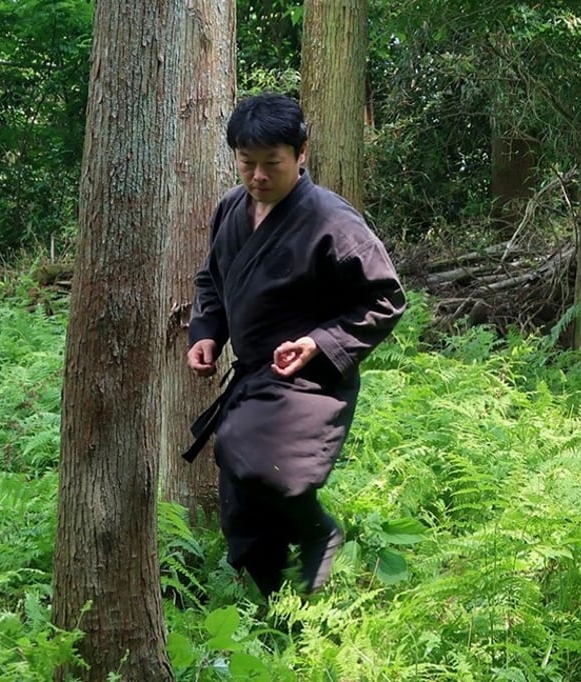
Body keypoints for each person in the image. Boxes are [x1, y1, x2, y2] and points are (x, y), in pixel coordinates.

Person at [183, 93, 405, 597]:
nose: (258, 176)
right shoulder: (231, 208)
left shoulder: (331, 219)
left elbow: (386, 298)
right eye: (247, 163)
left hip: (309, 377)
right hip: (255, 372)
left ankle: (317, 530)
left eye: (272, 163)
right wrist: (207, 333)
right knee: (242, 509)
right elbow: (212, 280)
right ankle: (279, 607)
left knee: (251, 454)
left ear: (301, 153)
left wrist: (319, 342)